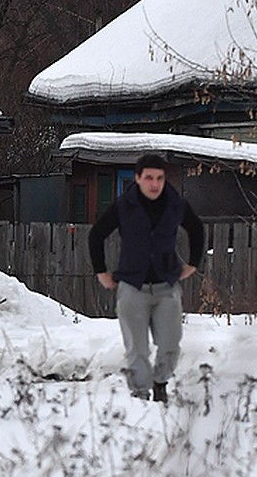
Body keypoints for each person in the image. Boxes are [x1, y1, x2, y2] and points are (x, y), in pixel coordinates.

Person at [88, 153, 205, 403]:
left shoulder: (176, 204)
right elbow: (97, 234)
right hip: (132, 287)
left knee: (170, 345)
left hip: (167, 287)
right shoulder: (124, 205)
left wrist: (193, 263)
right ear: (138, 178)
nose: (154, 184)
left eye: (160, 178)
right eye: (149, 178)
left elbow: (196, 229)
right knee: (137, 349)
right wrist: (101, 272)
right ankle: (140, 396)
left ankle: (160, 383)